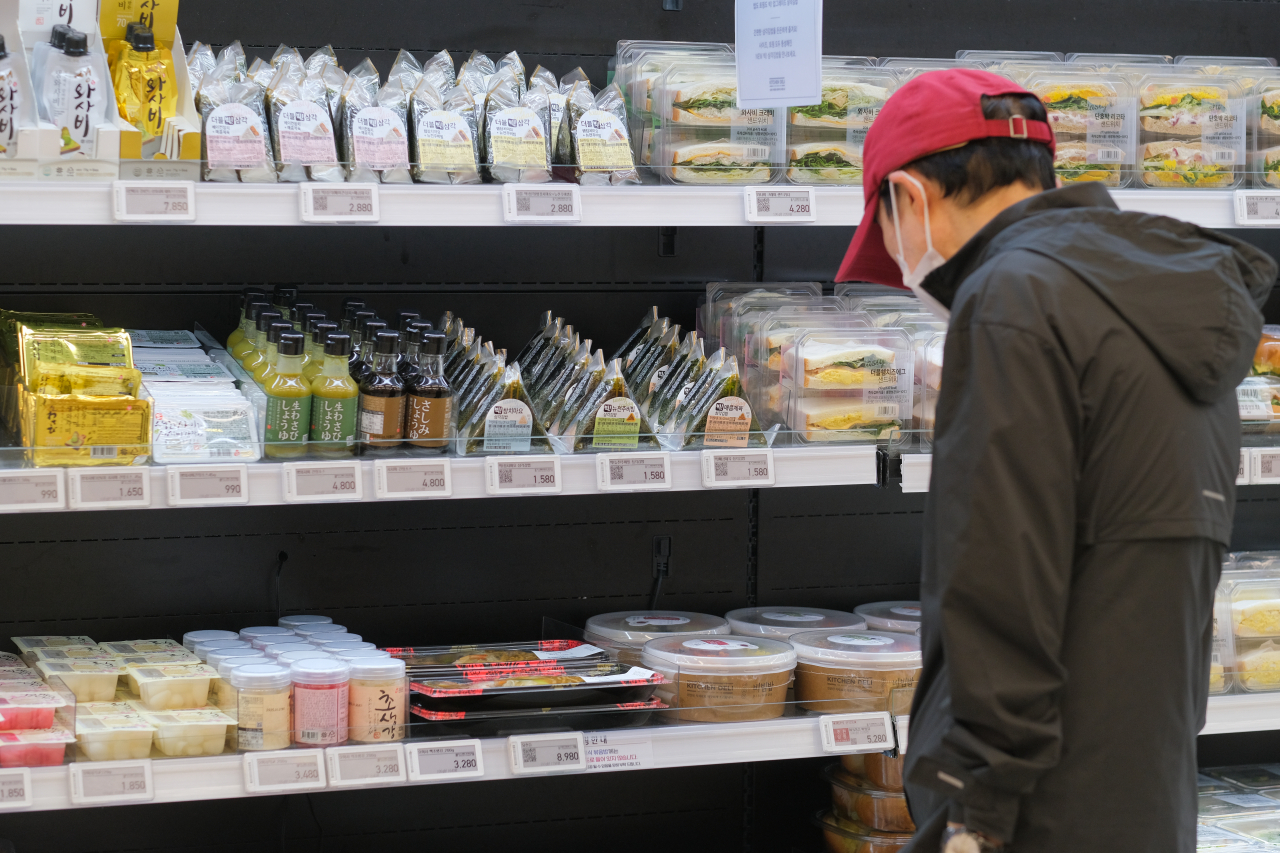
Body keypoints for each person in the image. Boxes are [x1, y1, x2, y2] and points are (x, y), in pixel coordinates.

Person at [835, 69, 1276, 853]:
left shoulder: (1013, 299)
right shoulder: (1164, 307)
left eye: (886, 237)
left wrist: (971, 809)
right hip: (1143, 795)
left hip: (1033, 813)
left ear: (907, 197)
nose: (900, 268)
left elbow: (1003, 575)